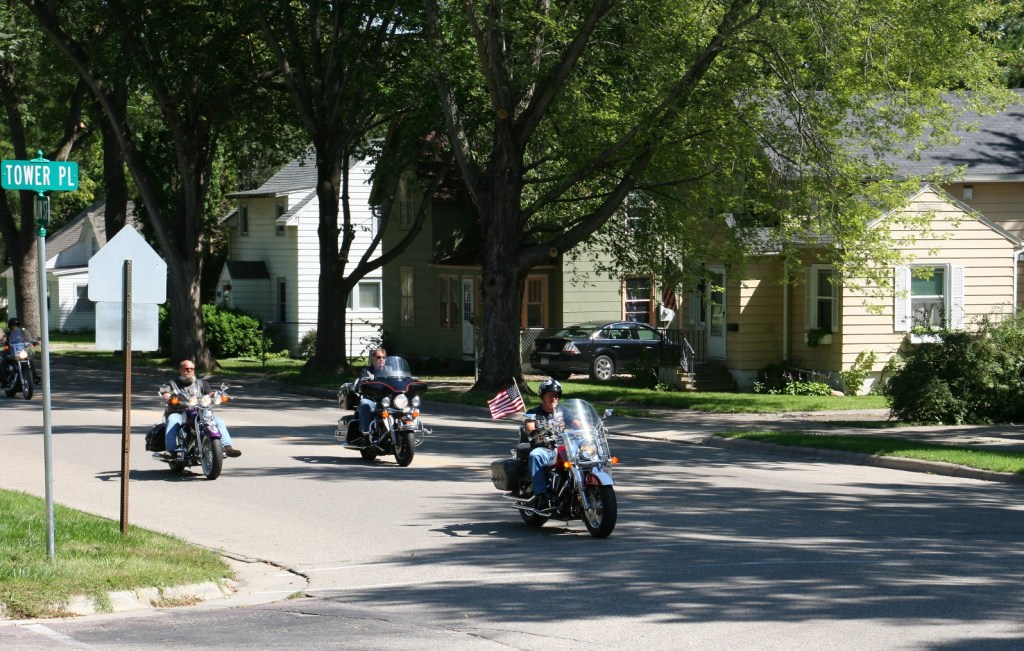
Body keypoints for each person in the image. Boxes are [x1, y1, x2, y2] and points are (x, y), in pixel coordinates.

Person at [160, 360, 241, 458]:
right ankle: (171, 450)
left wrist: (216, 395)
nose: (189, 371)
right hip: (179, 412)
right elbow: (165, 392)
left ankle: (227, 447)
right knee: (172, 420)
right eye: (186, 369)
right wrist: (167, 396)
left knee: (219, 422)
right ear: (180, 370)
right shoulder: (172, 384)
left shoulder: (202, 383)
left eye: (192, 369)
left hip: (199, 412)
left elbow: (209, 393)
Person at [522, 378, 579, 507]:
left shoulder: (563, 411)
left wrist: (590, 428)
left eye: (556, 395)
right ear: (543, 396)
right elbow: (530, 427)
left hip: (564, 448)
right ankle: (541, 494)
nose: (553, 398)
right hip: (545, 449)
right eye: (550, 395)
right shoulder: (533, 413)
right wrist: (536, 433)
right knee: (535, 455)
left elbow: (576, 423)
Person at [354, 347, 388, 435]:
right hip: (372, 401)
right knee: (364, 403)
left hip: (388, 402)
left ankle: (409, 428)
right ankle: (365, 432)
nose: (381, 359)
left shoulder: (390, 372)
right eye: (379, 357)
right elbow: (360, 385)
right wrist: (364, 383)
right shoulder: (367, 371)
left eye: (383, 357)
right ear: (373, 359)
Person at [1, 317, 39, 385]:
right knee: (3, 362)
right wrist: (2, 342)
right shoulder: (8, 334)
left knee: (30, 361)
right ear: (10, 326)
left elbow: (28, 339)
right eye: (13, 325)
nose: (14, 326)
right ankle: (4, 381)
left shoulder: (22, 334)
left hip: (21, 352)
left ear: (18, 325)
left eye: (16, 325)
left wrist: (33, 342)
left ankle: (35, 377)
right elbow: (3, 340)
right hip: (11, 353)